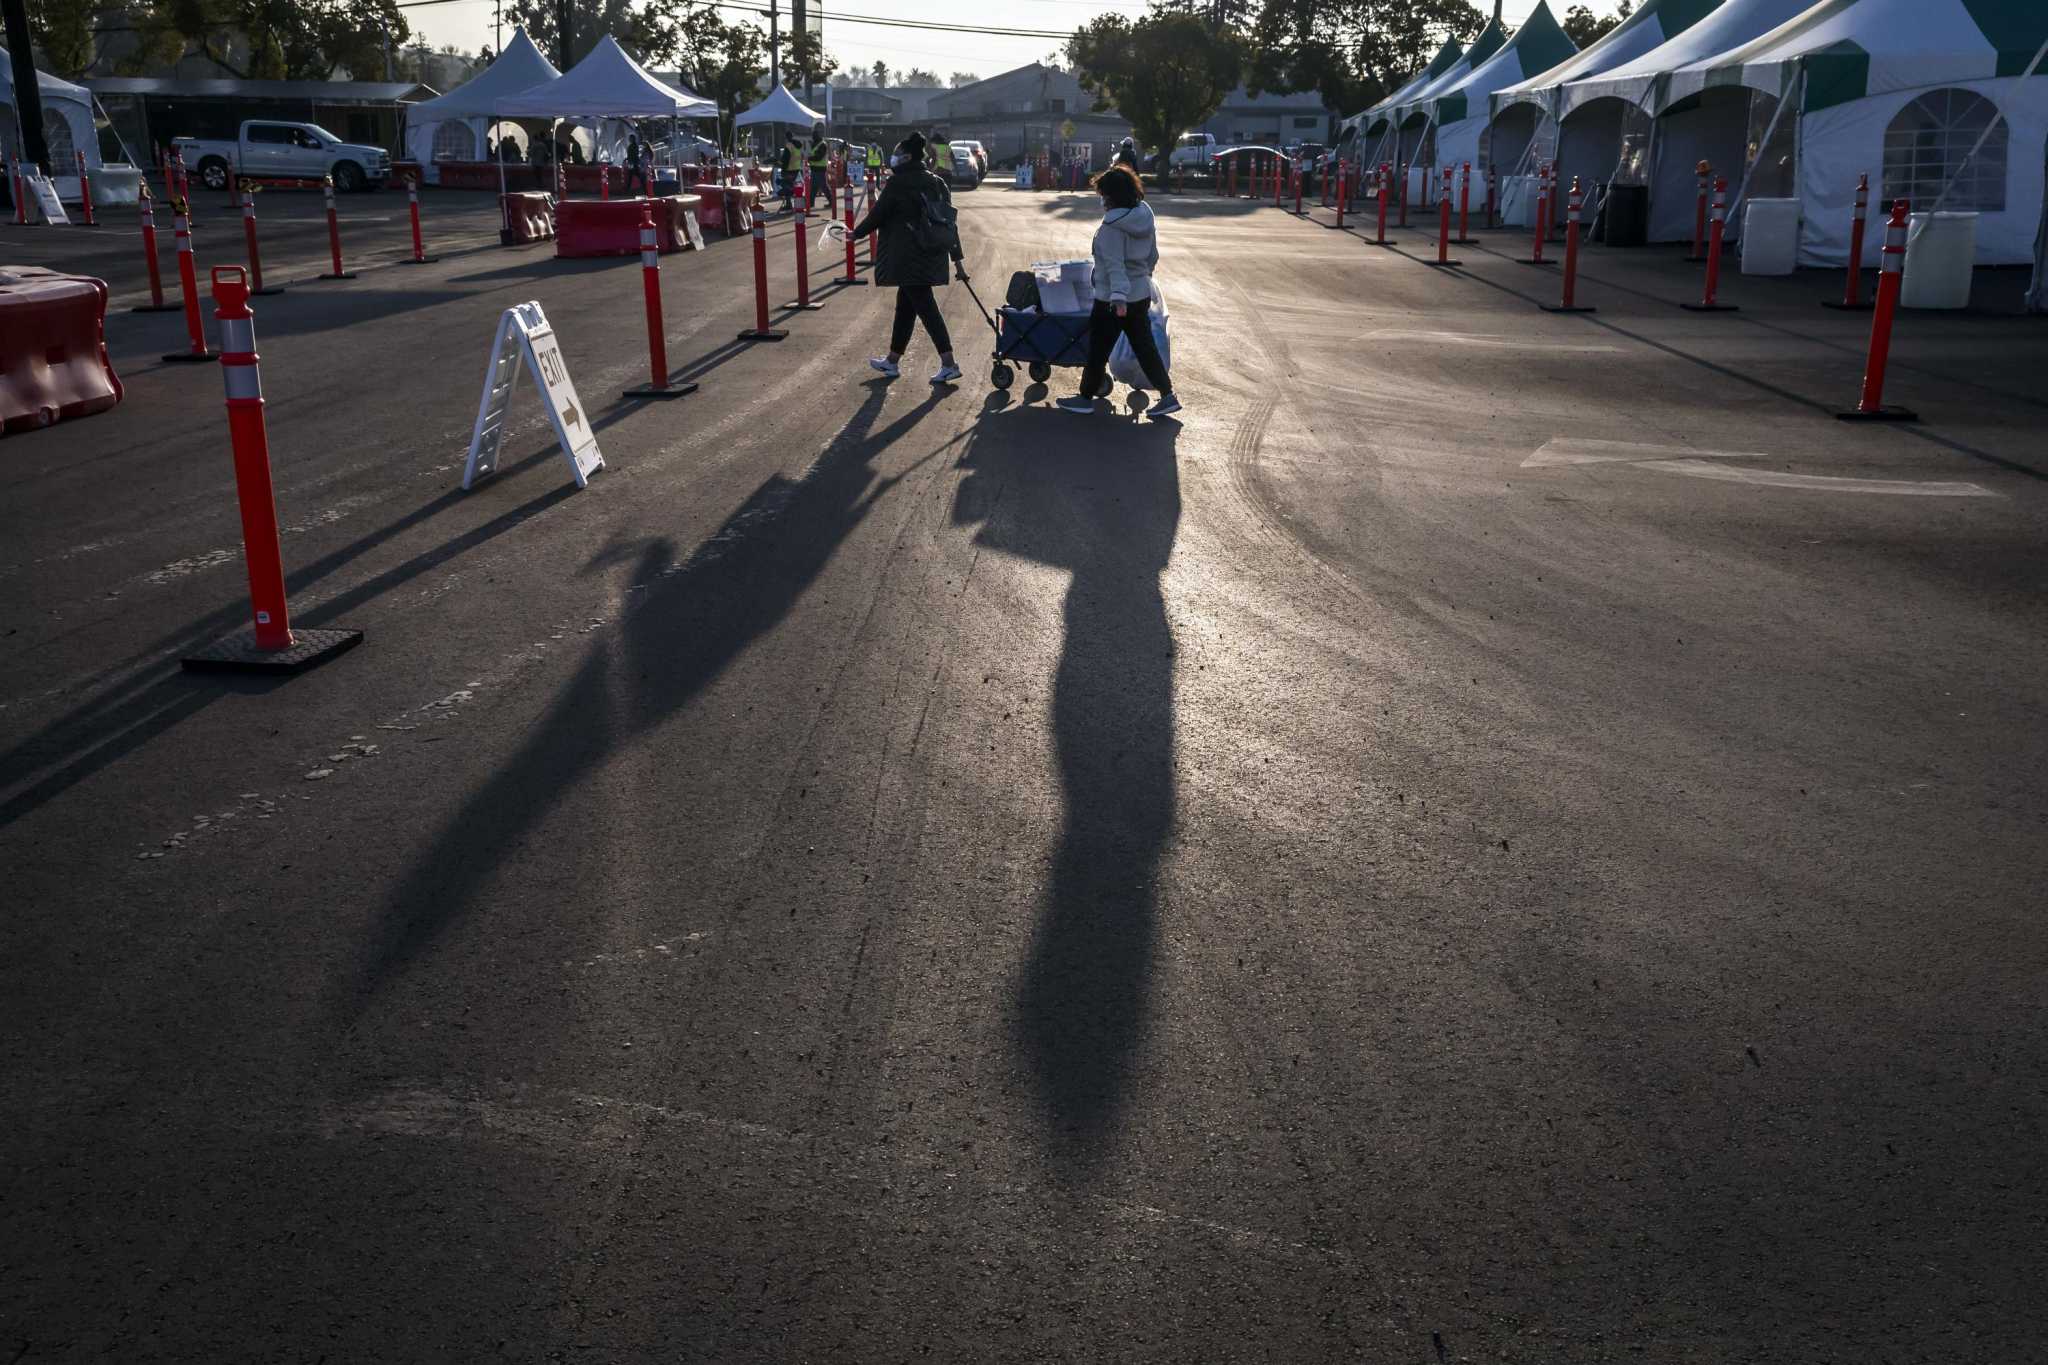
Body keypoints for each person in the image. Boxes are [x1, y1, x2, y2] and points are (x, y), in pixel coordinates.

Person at [1056, 165, 1180, 419]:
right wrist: (1143, 279)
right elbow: (1152, 256)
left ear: (1111, 195)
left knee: (1097, 350)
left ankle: (1085, 398)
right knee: (1144, 348)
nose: (1101, 199)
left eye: (1102, 194)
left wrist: (1119, 298)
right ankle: (1168, 396)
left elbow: (1114, 267)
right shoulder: (1144, 216)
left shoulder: (1112, 226)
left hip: (1113, 300)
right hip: (1139, 294)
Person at [849, 132, 966, 385]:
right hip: (932, 254)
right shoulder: (937, 182)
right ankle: (892, 360)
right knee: (905, 306)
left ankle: (949, 363)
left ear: (907, 156)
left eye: (898, 153)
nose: (894, 157)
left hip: (909, 256)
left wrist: (855, 234)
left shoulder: (899, 183)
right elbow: (949, 224)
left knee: (926, 308)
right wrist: (957, 260)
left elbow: (878, 215)